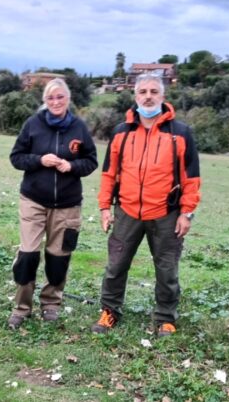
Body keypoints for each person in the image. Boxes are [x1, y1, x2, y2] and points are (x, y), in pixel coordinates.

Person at [91, 74, 201, 337]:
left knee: (167, 269)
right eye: (142, 92)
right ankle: (110, 311)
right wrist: (105, 207)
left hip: (166, 214)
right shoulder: (122, 132)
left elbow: (192, 178)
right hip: (126, 211)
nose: (148, 96)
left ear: (163, 96)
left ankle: (165, 318)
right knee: (116, 266)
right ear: (135, 96)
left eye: (154, 91)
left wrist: (187, 213)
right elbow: (109, 173)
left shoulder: (180, 133)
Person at [7, 78, 98, 329]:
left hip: (68, 205)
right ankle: (22, 308)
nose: (56, 102)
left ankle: (51, 304)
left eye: (60, 97)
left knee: (59, 258)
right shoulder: (33, 125)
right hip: (33, 201)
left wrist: (71, 166)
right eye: (50, 98)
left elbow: (91, 161)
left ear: (68, 99)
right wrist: (39, 160)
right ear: (44, 101)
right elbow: (16, 158)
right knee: (28, 255)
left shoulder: (79, 128)